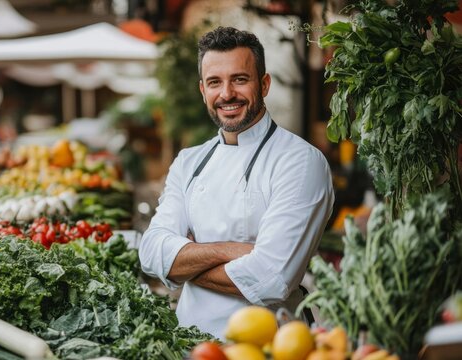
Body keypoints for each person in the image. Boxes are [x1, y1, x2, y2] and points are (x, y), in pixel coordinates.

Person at [139, 26, 334, 340]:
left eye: (240, 79)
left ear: (264, 84)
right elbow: (150, 252)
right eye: (215, 82)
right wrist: (234, 250)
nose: (226, 94)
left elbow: (271, 279)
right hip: (191, 344)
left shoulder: (299, 161)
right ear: (203, 90)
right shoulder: (189, 161)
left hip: (269, 347)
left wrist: (182, 263)